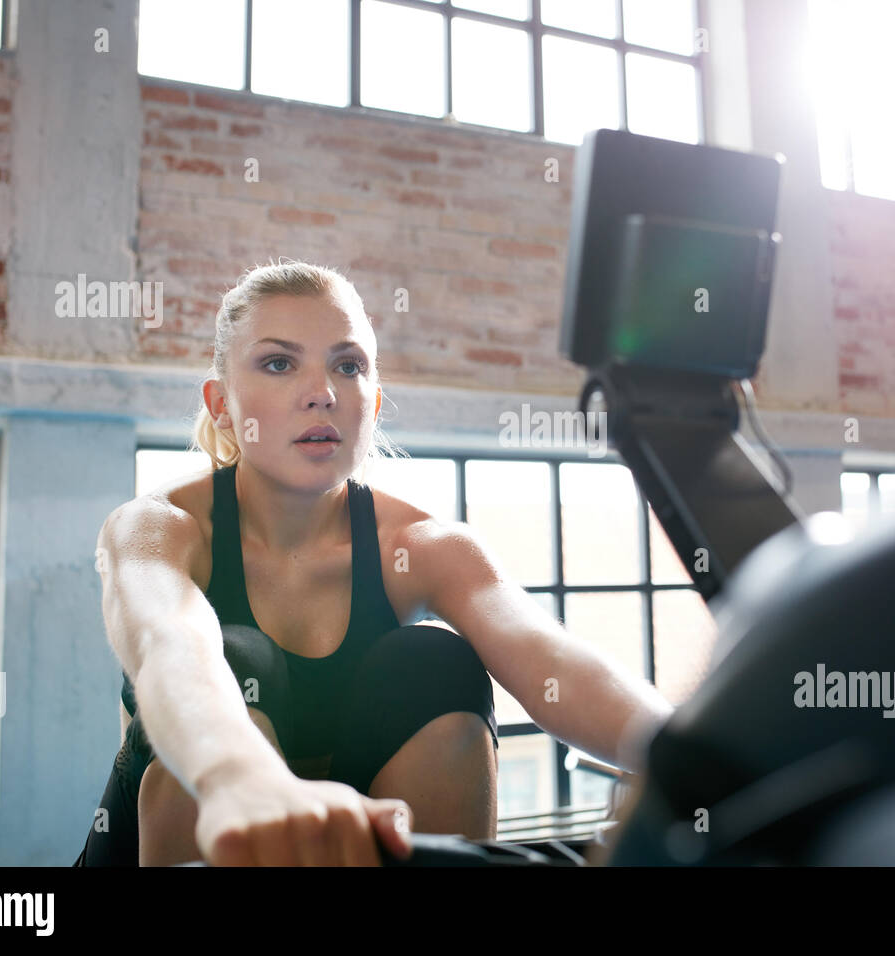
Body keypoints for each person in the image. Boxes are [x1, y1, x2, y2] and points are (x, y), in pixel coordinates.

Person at [73, 259, 675, 866]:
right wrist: (239, 779)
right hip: (165, 840)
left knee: (432, 662)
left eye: (348, 365)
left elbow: (552, 661)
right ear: (222, 403)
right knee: (237, 656)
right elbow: (169, 647)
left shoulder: (420, 544)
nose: (322, 393)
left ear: (375, 401)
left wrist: (707, 758)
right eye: (279, 363)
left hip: (360, 847)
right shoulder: (159, 527)